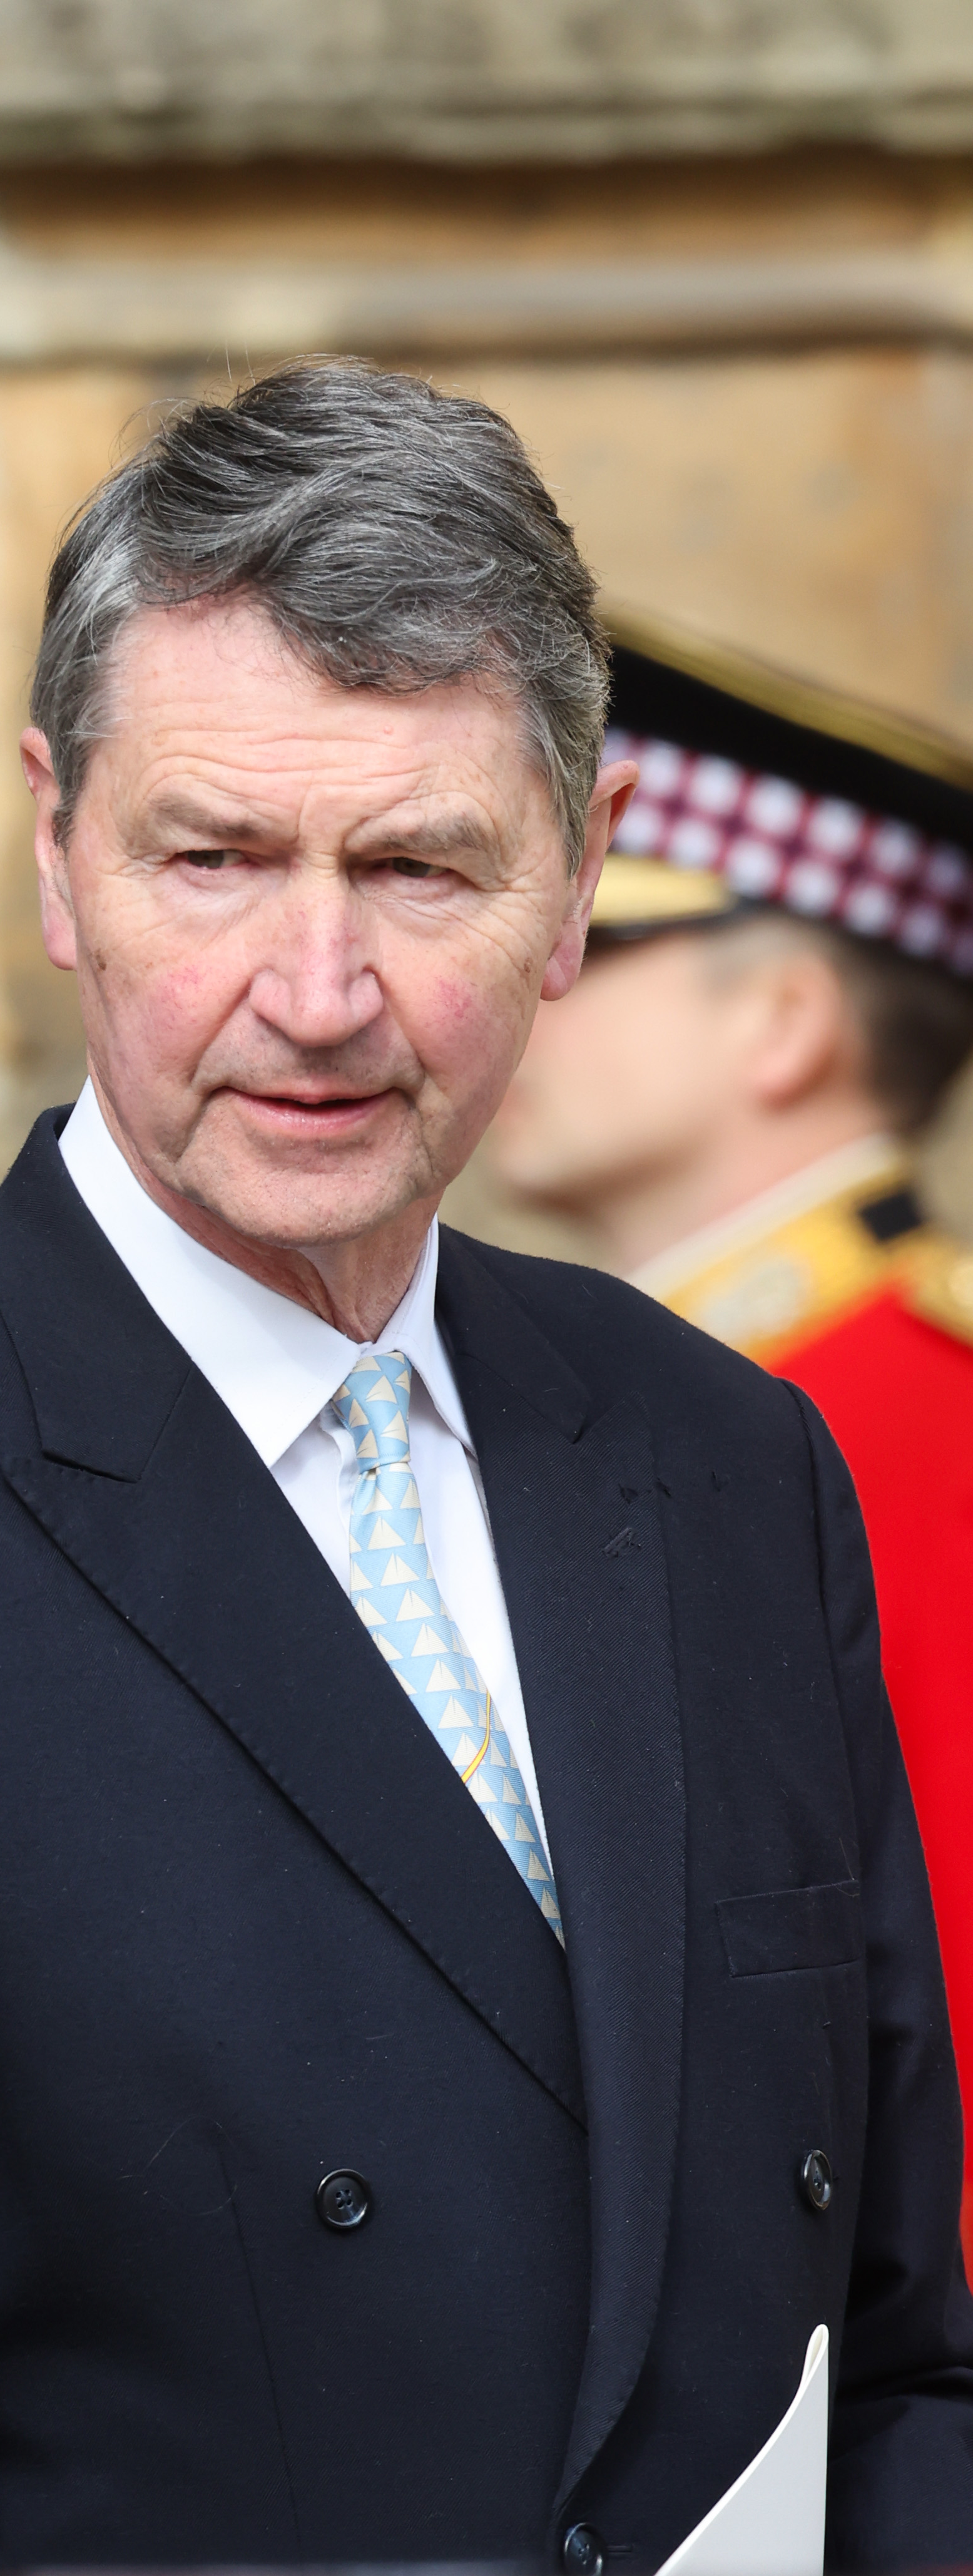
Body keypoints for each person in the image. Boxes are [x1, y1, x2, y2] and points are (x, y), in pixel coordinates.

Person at [0, 362, 973, 2576]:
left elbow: (901, 2356)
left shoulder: (725, 1457)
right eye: (214, 856)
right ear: (56, 854)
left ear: (574, 893)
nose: (317, 987)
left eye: (419, 866)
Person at [491, 621, 973, 2252]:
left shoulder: (924, 1421)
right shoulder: (582, 1395)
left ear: (784, 1020)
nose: (511, 985)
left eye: (590, 947)